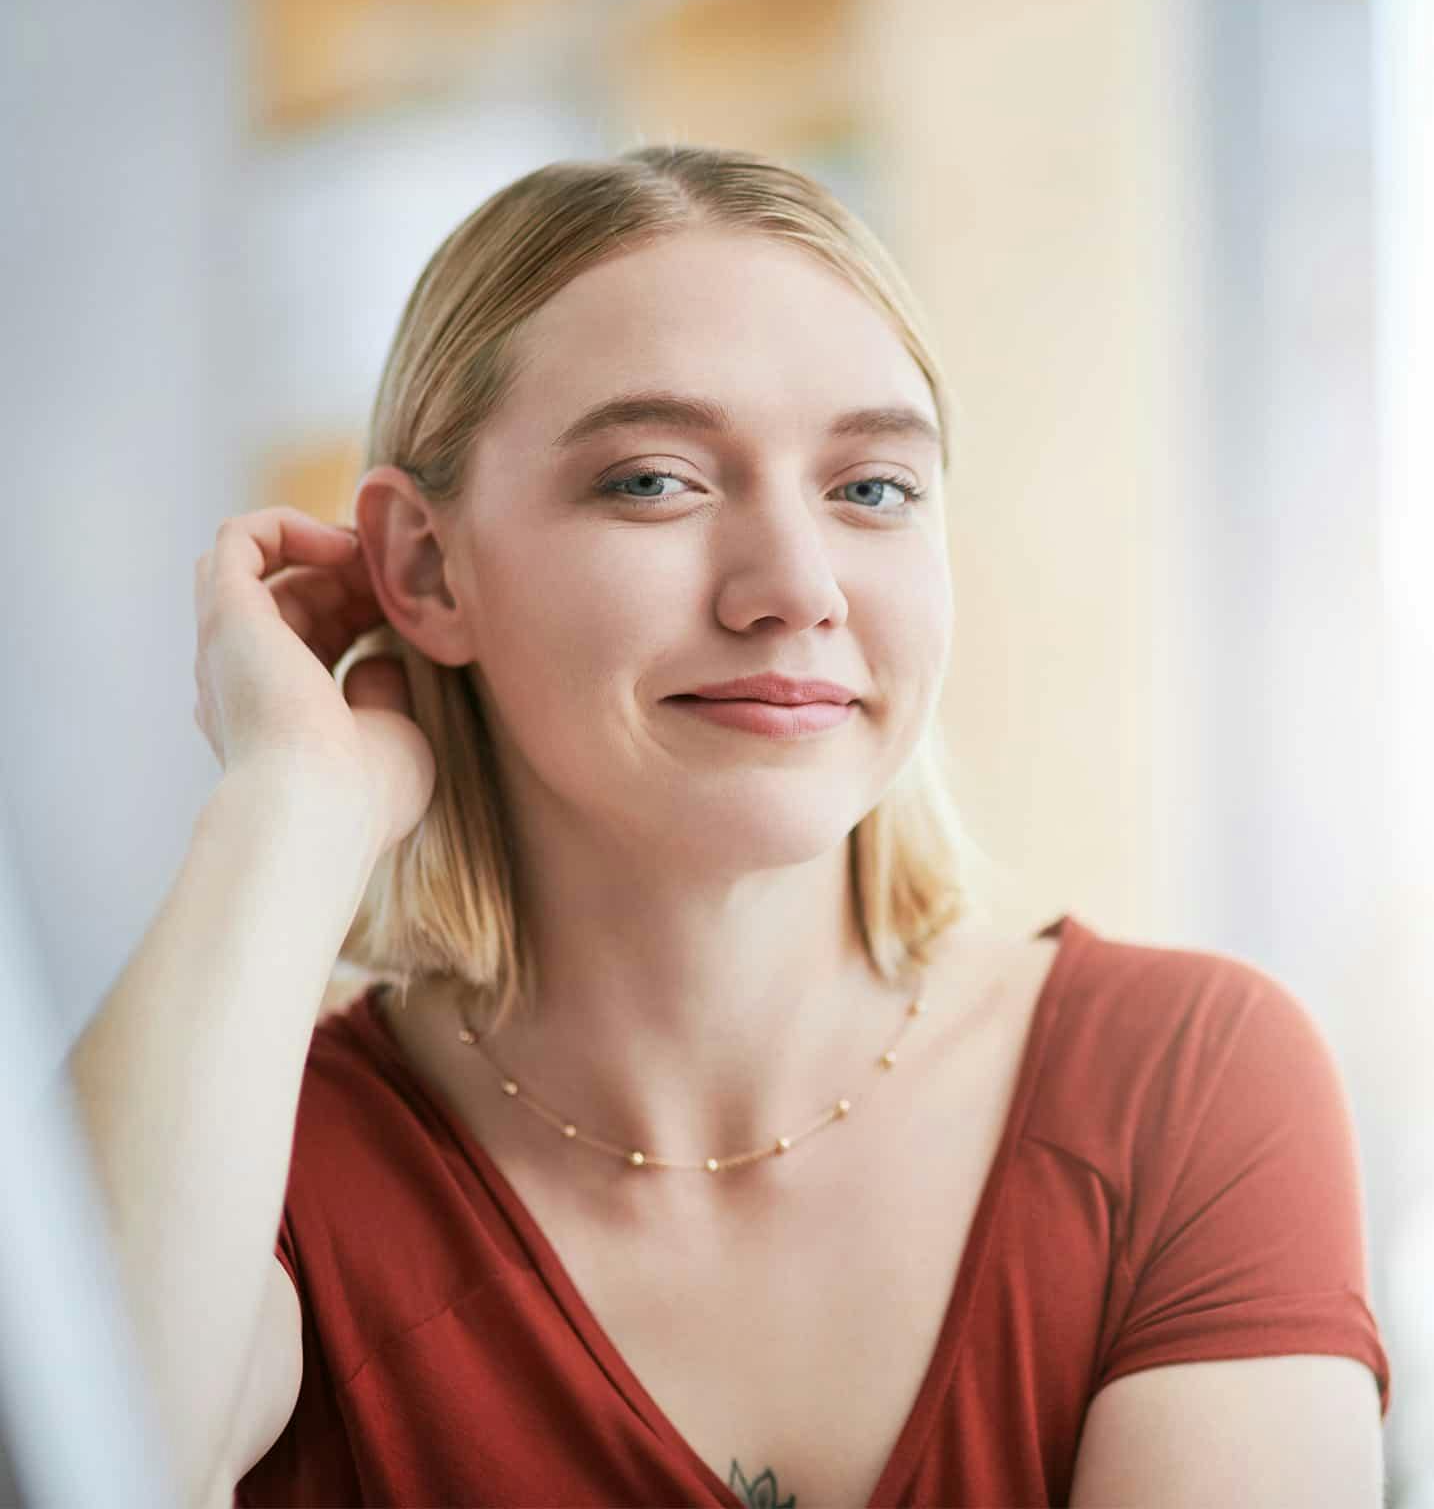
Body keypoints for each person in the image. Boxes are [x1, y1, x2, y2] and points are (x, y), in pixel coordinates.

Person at [69, 145, 1390, 1509]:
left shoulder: (1181, 1084)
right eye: (654, 481)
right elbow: (77, 1460)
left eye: (870, 488)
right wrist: (287, 803)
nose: (794, 588)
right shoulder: (260, 1167)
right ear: (422, 565)